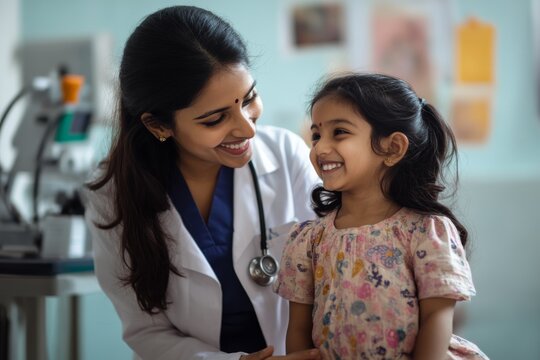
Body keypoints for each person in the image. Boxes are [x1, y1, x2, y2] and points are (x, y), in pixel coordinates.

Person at [84, 6, 322, 360]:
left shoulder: (287, 155)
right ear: (158, 126)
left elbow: (340, 266)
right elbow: (147, 332)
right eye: (215, 119)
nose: (247, 129)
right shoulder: (113, 195)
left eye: (250, 98)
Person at [273, 73, 489, 359]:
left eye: (339, 132)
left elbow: (436, 322)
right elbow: (298, 332)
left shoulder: (425, 232)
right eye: (316, 134)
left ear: (392, 148)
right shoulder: (308, 240)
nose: (320, 148)